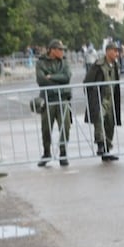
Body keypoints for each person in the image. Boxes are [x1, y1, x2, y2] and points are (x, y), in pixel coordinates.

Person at [36, 39, 73, 167]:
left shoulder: (64, 62)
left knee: (65, 127)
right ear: (52, 50)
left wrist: (51, 77)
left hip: (63, 99)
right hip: (48, 99)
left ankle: (63, 153)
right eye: (60, 49)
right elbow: (41, 80)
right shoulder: (41, 63)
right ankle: (46, 153)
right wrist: (58, 80)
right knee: (46, 128)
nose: (62, 52)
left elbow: (67, 77)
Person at [84, 42, 122, 161]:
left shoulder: (115, 65)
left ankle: (106, 149)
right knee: (99, 119)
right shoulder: (98, 65)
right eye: (114, 51)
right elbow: (87, 81)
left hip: (111, 99)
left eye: (117, 51)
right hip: (100, 97)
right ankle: (100, 144)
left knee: (110, 124)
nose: (117, 54)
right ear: (108, 51)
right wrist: (92, 96)